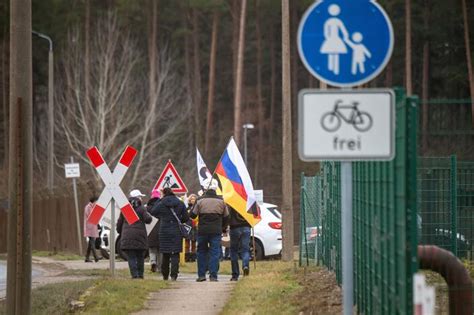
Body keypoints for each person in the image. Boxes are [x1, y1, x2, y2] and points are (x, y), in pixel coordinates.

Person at [190, 178, 229, 282]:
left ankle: (201, 275)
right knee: (214, 253)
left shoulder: (200, 200)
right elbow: (226, 217)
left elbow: (192, 215)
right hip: (216, 231)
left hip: (202, 231)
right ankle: (213, 276)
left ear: (205, 188)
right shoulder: (222, 201)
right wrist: (223, 228)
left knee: (201, 252)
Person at [150, 187, 188, 281]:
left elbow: (153, 212)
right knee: (175, 254)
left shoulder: (161, 203)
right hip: (176, 231)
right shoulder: (180, 203)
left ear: (164, 194)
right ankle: (174, 276)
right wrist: (179, 220)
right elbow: (186, 217)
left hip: (164, 231)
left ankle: (165, 276)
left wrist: (161, 216)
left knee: (165, 254)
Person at [117, 189, 152, 279]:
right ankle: (140, 275)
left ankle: (134, 275)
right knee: (140, 256)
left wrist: (120, 232)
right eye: (140, 197)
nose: (141, 199)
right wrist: (148, 214)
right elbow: (148, 220)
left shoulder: (126, 209)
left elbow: (119, 223)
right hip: (140, 236)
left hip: (127, 235)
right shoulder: (141, 208)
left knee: (131, 256)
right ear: (138, 198)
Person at [228, 207, 251, 281]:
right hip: (246, 227)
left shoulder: (232, 202)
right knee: (245, 249)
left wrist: (225, 226)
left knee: (233, 251)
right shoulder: (247, 201)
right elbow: (255, 213)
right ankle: (245, 265)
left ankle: (235, 274)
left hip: (234, 228)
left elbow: (228, 216)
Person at [147, 189, 162, 273]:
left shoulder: (147, 207)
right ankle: (160, 267)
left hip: (151, 230)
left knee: (152, 249)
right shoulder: (162, 206)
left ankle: (153, 262)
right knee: (160, 250)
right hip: (161, 230)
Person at [84, 196, 100, 263]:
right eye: (96, 201)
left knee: (91, 243)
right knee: (92, 242)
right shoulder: (88, 207)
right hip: (89, 227)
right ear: (94, 201)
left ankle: (87, 258)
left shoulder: (92, 207)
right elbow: (91, 216)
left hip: (92, 226)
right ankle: (96, 257)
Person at [185, 194, 198, 261]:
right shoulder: (187, 208)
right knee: (187, 243)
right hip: (188, 227)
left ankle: (193, 258)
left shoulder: (198, 208)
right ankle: (186, 257)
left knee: (194, 243)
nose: (193, 200)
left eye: (194, 199)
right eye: (192, 199)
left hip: (195, 227)